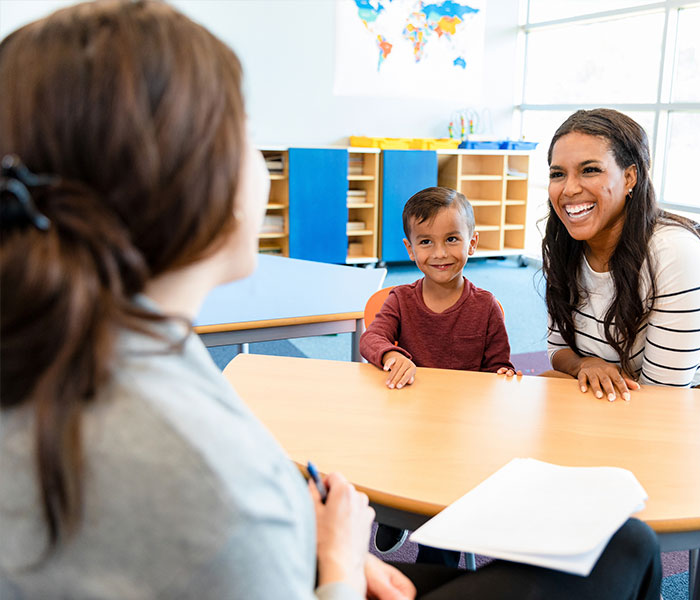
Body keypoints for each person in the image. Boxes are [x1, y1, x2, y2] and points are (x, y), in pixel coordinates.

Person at [0, 4, 661, 599]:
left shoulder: (85, 343)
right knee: (627, 546)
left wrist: (325, 556)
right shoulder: (199, 476)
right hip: (323, 573)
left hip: (309, 562)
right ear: (192, 181)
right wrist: (340, 561)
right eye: (245, 136)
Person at [543, 108, 700, 399]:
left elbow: (662, 395)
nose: (569, 188)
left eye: (590, 170)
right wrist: (584, 363)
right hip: (621, 393)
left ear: (630, 177)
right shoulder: (564, 242)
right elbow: (557, 348)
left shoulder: (675, 254)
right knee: (545, 386)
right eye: (558, 174)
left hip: (697, 398)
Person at [359, 186, 518, 565]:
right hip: (408, 425)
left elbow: (500, 366)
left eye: (452, 239)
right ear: (410, 249)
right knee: (381, 461)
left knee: (442, 523)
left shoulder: (486, 307)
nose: (440, 253)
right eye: (426, 242)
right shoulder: (400, 300)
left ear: (472, 242)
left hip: (461, 433)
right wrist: (392, 355)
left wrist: (503, 375)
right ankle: (394, 512)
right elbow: (372, 339)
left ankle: (434, 558)